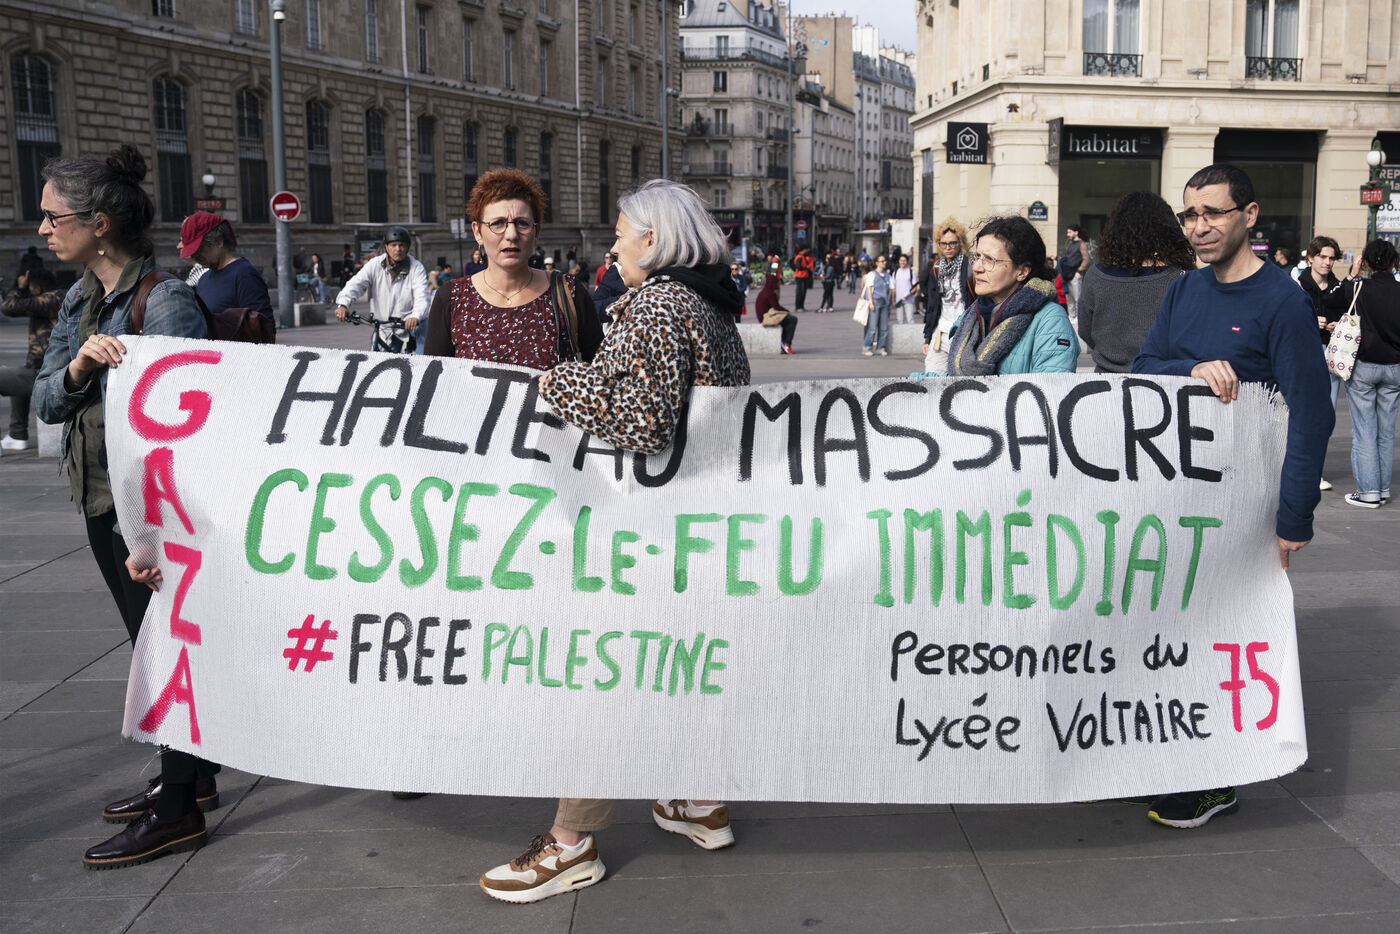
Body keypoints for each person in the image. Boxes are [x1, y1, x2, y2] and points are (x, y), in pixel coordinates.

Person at [480, 179, 750, 904]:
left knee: (603, 680)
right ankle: (697, 799)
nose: (613, 246)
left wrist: (560, 381)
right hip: (695, 525)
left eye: (623, 232)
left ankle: (570, 842)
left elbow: (644, 421)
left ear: (653, 240)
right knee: (670, 667)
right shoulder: (709, 304)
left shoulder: (659, 305)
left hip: (645, 532)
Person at [31, 145, 219, 869]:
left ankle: (178, 812)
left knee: (164, 650)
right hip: (101, 497)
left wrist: (156, 535)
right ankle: (193, 778)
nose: (43, 229)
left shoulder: (163, 300)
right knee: (149, 643)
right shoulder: (80, 296)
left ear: (99, 223)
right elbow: (47, 398)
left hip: (150, 513)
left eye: (54, 217)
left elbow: (191, 427)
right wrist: (81, 365)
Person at [1133, 163, 1332, 828]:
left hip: (1245, 507)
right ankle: (1174, 757)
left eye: (1212, 213)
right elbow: (1144, 368)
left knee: (1225, 641)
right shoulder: (1184, 289)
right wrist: (1190, 369)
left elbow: (1311, 413)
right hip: (1174, 501)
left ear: (1249, 215)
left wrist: (1292, 518)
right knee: (1174, 635)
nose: (1199, 227)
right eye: (1189, 214)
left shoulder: (1282, 302)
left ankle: (1214, 780)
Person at [424, 169, 602, 367]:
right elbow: (434, 380)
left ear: (536, 231)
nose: (511, 234)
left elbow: (601, 374)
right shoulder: (451, 299)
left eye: (522, 223)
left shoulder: (569, 292)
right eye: (497, 223)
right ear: (477, 232)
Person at [1077, 191, 1196, 373]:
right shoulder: (1184, 277)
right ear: (1168, 229)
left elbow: (1086, 331)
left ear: (1115, 230)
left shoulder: (1095, 275)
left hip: (1105, 383)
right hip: (1167, 382)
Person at [945, 216, 1079, 376]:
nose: (976, 267)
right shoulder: (972, 315)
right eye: (977, 257)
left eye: (990, 259)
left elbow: (1051, 387)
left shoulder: (1051, 321)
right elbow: (949, 382)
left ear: (1022, 271)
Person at [1327, 239, 1400, 508]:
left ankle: (1368, 492)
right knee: (1386, 432)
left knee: (1364, 431)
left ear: (1366, 263)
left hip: (1364, 367)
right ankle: (1382, 489)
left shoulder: (1358, 288)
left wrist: (1352, 273)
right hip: (1395, 368)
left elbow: (1331, 298)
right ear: (1394, 263)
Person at [1297, 235, 1349, 490]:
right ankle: (1299, 468)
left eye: (1331, 258)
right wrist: (1308, 321)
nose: (1327, 262)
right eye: (1323, 257)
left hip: (1331, 354)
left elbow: (1350, 316)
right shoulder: (1297, 285)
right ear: (1311, 258)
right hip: (1304, 353)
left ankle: (1315, 471)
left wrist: (1339, 324)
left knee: (1326, 415)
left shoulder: (1338, 287)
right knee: (1301, 413)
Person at [334, 225, 430, 343]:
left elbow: (422, 296)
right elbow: (356, 283)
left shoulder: (416, 268)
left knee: (423, 343)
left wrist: (415, 316)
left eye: (402, 245)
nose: (398, 249)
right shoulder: (375, 264)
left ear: (407, 247)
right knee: (378, 352)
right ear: (386, 247)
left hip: (410, 324)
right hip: (384, 328)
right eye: (393, 245)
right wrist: (343, 304)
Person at [1, 268, 61, 451]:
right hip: (45, 370)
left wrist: (20, 287)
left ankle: (17, 434)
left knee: (11, 376)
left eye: (31, 286)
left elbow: (8, 306)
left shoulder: (52, 299)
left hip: (50, 375)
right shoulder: (58, 297)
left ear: (36, 286)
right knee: (17, 377)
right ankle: (17, 434)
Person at [178, 212, 273, 318]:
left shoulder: (244, 275)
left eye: (199, 249)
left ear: (219, 242)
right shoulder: (204, 279)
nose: (195, 256)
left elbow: (263, 325)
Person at [920, 218, 974, 375]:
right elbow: (932, 305)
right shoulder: (937, 268)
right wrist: (927, 336)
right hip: (941, 333)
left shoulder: (970, 266)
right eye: (944, 243)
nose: (948, 247)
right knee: (932, 378)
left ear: (960, 243)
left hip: (964, 333)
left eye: (952, 243)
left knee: (962, 380)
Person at [755, 262, 798, 353]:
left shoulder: (764, 291)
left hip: (763, 316)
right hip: (766, 318)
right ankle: (786, 343)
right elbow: (776, 307)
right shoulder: (770, 293)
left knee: (786, 320)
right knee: (792, 319)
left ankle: (783, 342)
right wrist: (786, 311)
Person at [860, 254, 894, 356]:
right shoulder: (872, 274)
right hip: (875, 302)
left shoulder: (887, 275)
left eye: (885, 261)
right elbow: (869, 288)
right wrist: (870, 302)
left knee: (884, 327)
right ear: (877, 263)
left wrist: (891, 302)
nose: (884, 263)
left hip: (885, 303)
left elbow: (891, 289)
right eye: (882, 261)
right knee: (872, 327)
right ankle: (867, 347)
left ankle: (881, 347)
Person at [1057, 223, 1090, 321]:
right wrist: (1057, 258)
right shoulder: (1071, 245)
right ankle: (1071, 317)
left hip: (1076, 275)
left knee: (1078, 298)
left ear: (1076, 232)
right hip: (1067, 274)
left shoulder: (1081, 244)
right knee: (1069, 298)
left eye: (1069, 232)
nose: (1067, 234)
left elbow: (1086, 260)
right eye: (1067, 232)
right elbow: (1069, 259)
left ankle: (1080, 318)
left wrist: (1078, 271)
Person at [892, 253, 918, 325]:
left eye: (904, 260)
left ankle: (912, 332)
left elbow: (915, 287)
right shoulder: (895, 273)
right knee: (899, 320)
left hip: (909, 300)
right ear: (899, 261)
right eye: (901, 260)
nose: (902, 262)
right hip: (898, 300)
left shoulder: (911, 272)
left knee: (910, 320)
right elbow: (893, 288)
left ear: (907, 261)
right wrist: (893, 300)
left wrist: (909, 294)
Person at [792, 244, 814, 310]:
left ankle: (801, 306)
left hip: (804, 276)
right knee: (800, 292)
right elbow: (798, 267)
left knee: (803, 292)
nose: (808, 251)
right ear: (804, 250)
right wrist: (806, 267)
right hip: (800, 276)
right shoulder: (799, 257)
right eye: (807, 249)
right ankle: (798, 307)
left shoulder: (803, 256)